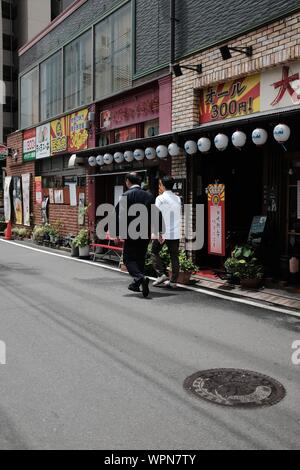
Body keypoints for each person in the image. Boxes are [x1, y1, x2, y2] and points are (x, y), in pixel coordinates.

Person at [116, 172, 154, 298]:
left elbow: (119, 216)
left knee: (128, 258)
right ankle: (137, 284)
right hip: (145, 231)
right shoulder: (149, 196)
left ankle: (139, 278)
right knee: (140, 258)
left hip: (130, 232)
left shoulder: (125, 195)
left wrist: (117, 233)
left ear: (128, 181)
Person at [152, 176, 182, 288]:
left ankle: (161, 275)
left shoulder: (160, 198)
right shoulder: (178, 198)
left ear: (162, 185)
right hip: (175, 232)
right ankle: (173, 281)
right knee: (174, 256)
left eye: (160, 184)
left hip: (163, 232)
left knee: (154, 251)